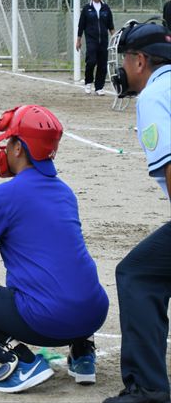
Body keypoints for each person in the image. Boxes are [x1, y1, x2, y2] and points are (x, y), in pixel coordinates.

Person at [0, 105, 109, 394]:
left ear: (19, 148)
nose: (4, 147)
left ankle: (22, 362)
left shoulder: (6, 195)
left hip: (49, 320)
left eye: (10, 141)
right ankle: (82, 353)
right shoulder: (64, 191)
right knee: (66, 273)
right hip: (93, 312)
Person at [104, 20, 171, 403]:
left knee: (138, 274)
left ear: (141, 61)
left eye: (126, 60)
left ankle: (147, 389)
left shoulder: (154, 94)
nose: (123, 68)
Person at [76, 0, 115, 95]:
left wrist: (115, 38)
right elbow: (81, 25)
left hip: (103, 41)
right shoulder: (87, 8)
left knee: (102, 64)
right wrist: (78, 40)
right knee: (91, 61)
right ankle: (88, 82)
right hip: (91, 40)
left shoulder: (106, 8)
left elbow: (110, 26)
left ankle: (99, 87)